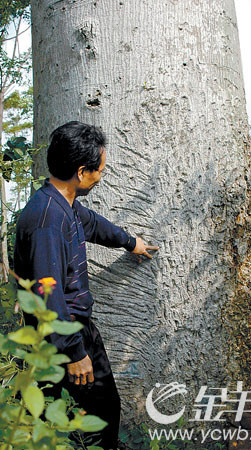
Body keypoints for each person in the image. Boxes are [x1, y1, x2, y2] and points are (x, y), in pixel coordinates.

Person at [13, 121, 159, 449]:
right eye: (99, 171)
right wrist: (75, 352)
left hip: (78, 328)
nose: (100, 176)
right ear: (82, 172)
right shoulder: (47, 221)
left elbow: (91, 224)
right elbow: (46, 293)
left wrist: (129, 241)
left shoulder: (64, 205)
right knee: (71, 416)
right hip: (58, 338)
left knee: (104, 407)